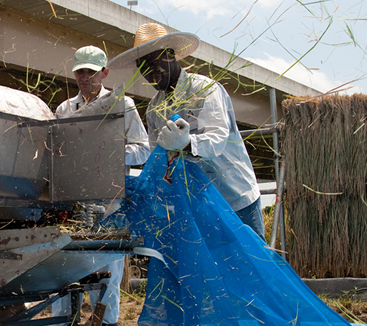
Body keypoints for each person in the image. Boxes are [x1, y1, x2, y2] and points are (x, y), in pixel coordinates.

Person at [107, 22, 265, 238]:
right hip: (199, 205)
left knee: (253, 266)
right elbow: (158, 157)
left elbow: (218, 139)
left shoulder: (204, 90)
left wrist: (187, 143)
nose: (151, 74)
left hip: (233, 196)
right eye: (143, 68)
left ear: (170, 55)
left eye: (154, 63)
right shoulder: (155, 108)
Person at [50, 45, 150, 326]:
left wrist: (110, 153)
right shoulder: (65, 109)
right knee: (63, 275)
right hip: (74, 205)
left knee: (107, 273)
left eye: (92, 72)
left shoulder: (123, 105)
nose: (85, 77)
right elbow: (53, 150)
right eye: (80, 71)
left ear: (105, 73)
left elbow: (143, 150)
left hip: (109, 205)